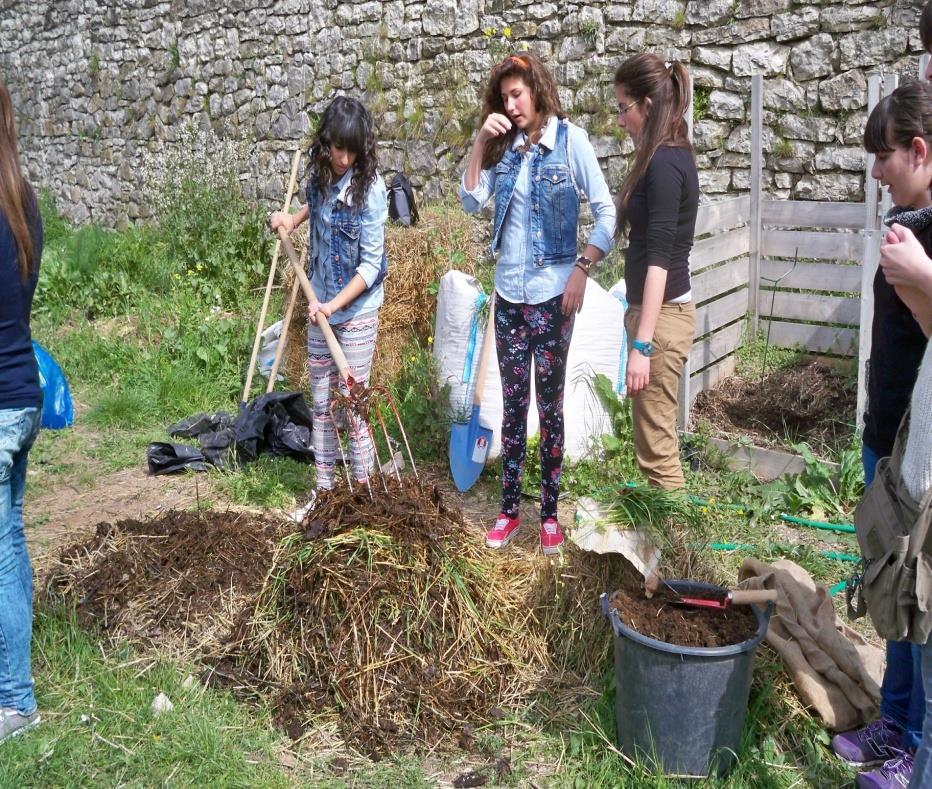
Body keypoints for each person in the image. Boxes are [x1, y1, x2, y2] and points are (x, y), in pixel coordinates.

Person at [459, 52, 615, 555]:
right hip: (509, 298)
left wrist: (582, 268)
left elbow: (608, 214)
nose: (511, 102)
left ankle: (548, 515)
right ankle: (508, 512)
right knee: (512, 407)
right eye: (504, 96)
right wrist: (481, 141)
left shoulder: (571, 143)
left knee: (549, 409)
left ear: (538, 90)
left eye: (517, 93)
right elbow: (469, 200)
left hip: (552, 301)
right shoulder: (503, 150)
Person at [830, 80, 932, 789]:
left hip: (915, 451)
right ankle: (896, 723)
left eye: (884, 156)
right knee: (891, 589)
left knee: (918, 593)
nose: (876, 172)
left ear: (919, 151)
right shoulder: (911, 223)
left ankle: (914, 743)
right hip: (889, 435)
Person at [269, 96, 388, 498]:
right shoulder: (320, 176)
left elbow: (371, 267)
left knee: (353, 409)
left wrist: (332, 306)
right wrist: (292, 218)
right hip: (321, 303)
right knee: (322, 408)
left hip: (354, 311)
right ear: (327, 143)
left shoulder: (371, 189)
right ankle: (324, 496)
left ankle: (365, 496)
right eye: (339, 148)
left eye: (353, 150)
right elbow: (319, 206)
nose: (344, 159)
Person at [613, 54, 699, 490]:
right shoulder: (666, 154)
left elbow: (659, 259)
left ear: (646, 104)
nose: (621, 120)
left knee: (657, 454)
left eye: (623, 108)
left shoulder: (665, 163)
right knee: (653, 445)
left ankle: (679, 554)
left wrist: (642, 345)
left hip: (660, 322)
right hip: (658, 316)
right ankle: (670, 547)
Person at [0, 79, 43, 743]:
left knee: (1, 546)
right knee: (8, 532)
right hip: (22, 394)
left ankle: (15, 699)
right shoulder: (23, 199)